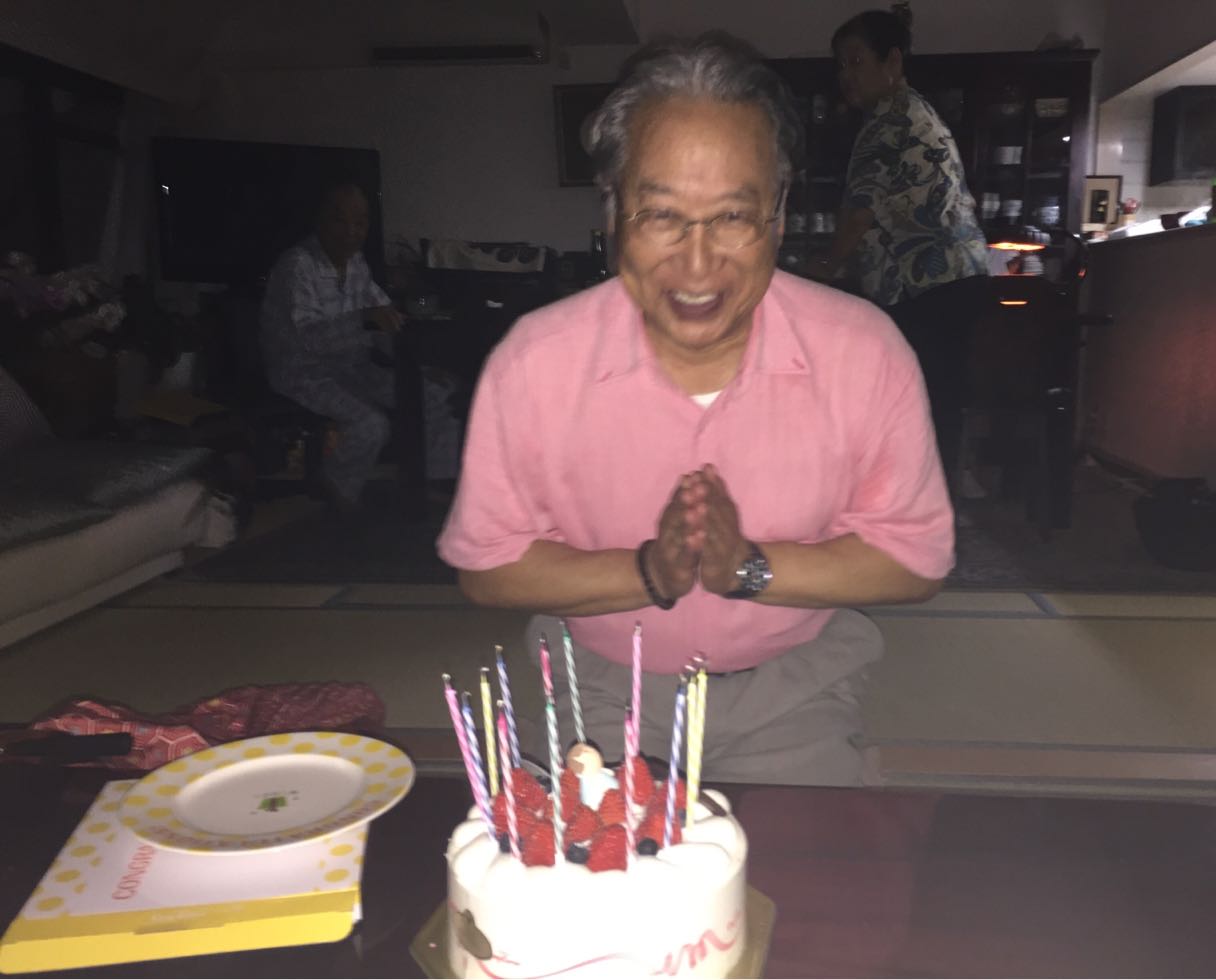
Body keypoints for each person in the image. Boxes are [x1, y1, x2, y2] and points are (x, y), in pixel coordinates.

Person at [437, 33, 953, 787]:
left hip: (794, 689)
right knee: (580, 861)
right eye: (661, 215)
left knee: (820, 862)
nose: (699, 262)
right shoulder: (533, 361)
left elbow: (915, 562)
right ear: (613, 212)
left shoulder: (865, 352)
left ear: (778, 214)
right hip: (599, 688)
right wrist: (648, 572)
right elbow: (488, 570)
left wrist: (749, 569)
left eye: (733, 217)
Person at [807, 7, 992, 495]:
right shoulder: (915, 110)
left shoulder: (888, 121)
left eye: (856, 61)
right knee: (936, 401)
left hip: (930, 286)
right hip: (953, 281)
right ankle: (933, 502)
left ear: (892, 61)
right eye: (840, 65)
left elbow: (860, 214)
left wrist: (822, 268)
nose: (846, 75)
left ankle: (924, 509)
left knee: (923, 404)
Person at [260, 181, 458, 511]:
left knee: (437, 394)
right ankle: (335, 491)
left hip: (353, 368)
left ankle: (431, 482)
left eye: (360, 222)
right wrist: (364, 319)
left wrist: (418, 367)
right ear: (320, 220)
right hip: (303, 373)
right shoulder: (297, 265)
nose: (351, 231)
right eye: (340, 220)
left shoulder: (356, 264)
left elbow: (385, 320)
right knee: (370, 424)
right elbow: (308, 339)